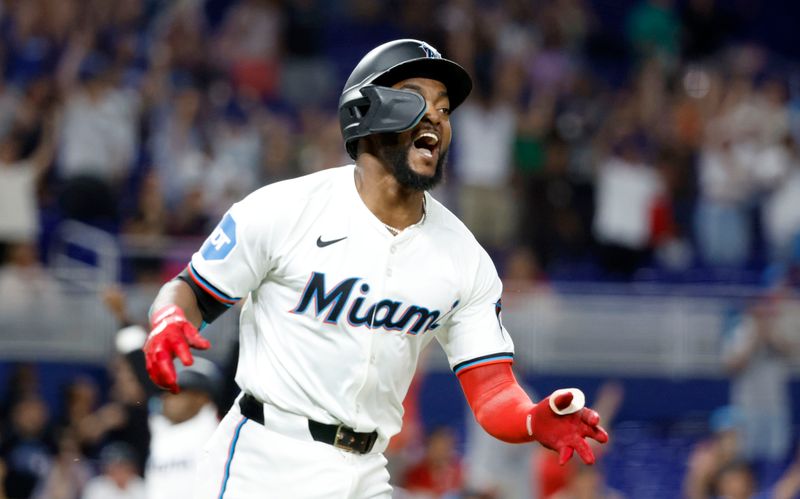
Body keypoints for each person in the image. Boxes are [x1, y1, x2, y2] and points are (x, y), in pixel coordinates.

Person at [142, 39, 608, 498]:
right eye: (415, 99)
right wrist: (169, 318)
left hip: (367, 471)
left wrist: (531, 419)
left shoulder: (465, 258)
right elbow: (191, 291)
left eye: (444, 109)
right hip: (264, 460)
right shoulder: (284, 210)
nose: (435, 118)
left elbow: (492, 391)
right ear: (364, 112)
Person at [145, 359, 220, 499]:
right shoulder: (158, 430)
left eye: (178, 392)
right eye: (166, 392)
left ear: (202, 398)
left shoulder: (217, 432)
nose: (168, 398)